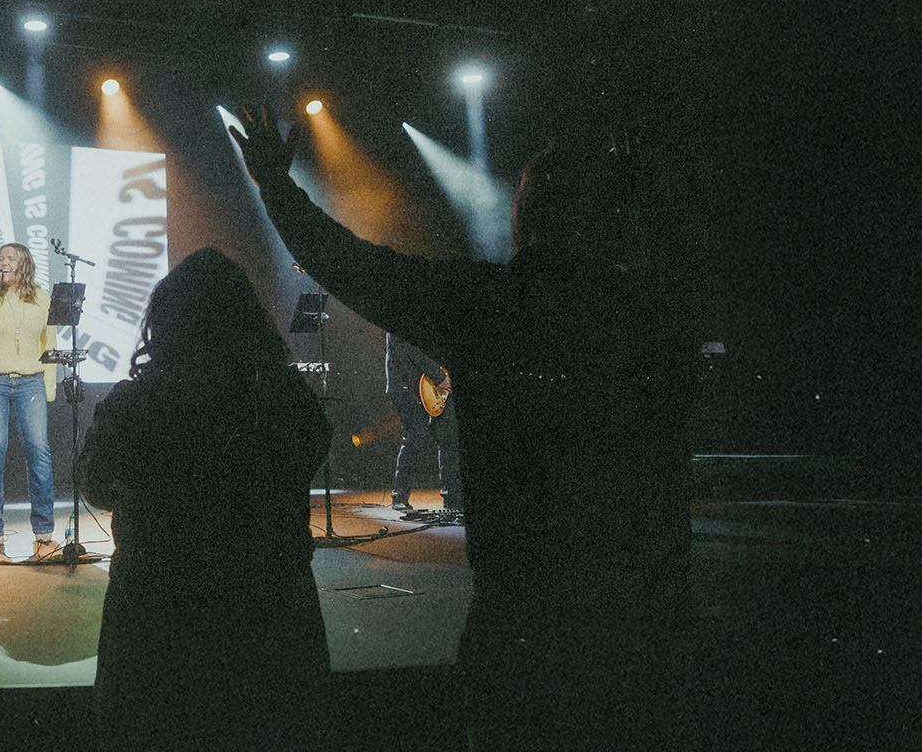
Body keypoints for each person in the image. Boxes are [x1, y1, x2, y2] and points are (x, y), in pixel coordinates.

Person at [230, 107, 695, 750]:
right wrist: (656, 196)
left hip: (523, 615)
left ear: (524, 219)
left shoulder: (492, 304)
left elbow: (351, 265)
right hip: (648, 616)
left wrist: (274, 186)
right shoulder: (657, 311)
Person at [78, 247, 332, 752]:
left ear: (165, 322)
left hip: (157, 629)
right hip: (272, 627)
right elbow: (309, 450)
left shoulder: (135, 404)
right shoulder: (286, 397)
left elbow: (97, 484)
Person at [0, 241, 58, 562]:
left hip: (30, 380)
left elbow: (50, 343)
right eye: (0, 258)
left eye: (10, 258)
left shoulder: (42, 296)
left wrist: (49, 389)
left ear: (24, 264)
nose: (3, 262)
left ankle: (44, 539)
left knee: (40, 454)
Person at [385, 332, 463, 513]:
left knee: (449, 438)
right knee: (415, 437)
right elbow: (411, 349)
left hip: (433, 384)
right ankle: (399, 497)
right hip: (406, 386)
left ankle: (452, 498)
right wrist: (440, 377)